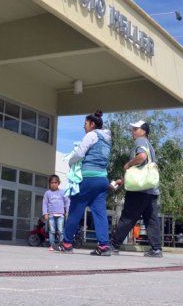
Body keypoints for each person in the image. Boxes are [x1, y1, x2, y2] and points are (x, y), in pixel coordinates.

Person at [62, 110, 112, 256]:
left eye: (85, 124)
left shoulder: (91, 135)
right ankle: (103, 246)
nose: (83, 127)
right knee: (100, 213)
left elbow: (80, 153)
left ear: (92, 124)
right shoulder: (108, 140)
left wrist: (71, 162)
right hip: (102, 180)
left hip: (87, 178)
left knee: (75, 210)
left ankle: (66, 243)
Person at [113, 120, 163, 258]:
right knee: (152, 220)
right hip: (151, 189)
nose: (133, 132)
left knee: (128, 217)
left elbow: (141, 157)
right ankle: (156, 249)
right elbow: (141, 171)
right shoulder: (150, 146)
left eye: (135, 129)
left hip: (139, 191)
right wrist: (123, 181)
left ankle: (114, 245)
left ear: (143, 131)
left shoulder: (140, 141)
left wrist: (128, 164)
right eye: (133, 129)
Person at [42, 174, 70, 251]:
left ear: (58, 183)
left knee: (61, 231)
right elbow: (44, 204)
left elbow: (67, 202)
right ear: (49, 183)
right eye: (52, 183)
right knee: (52, 231)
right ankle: (52, 245)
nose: (53, 184)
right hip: (51, 215)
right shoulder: (47, 193)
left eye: (55, 182)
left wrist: (67, 212)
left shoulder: (62, 192)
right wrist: (45, 213)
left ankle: (62, 245)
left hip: (60, 215)